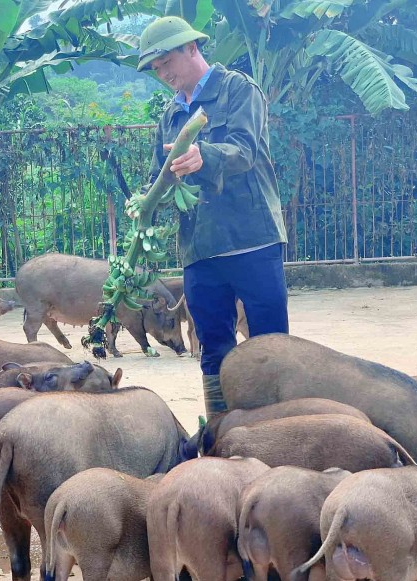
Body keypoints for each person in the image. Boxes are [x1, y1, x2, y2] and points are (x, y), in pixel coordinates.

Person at [138, 16, 289, 418]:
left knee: (271, 343)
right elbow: (160, 177)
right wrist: (146, 201)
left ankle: (279, 430)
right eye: (156, 68)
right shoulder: (170, 116)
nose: (164, 73)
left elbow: (245, 151)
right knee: (212, 346)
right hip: (199, 248)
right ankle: (222, 433)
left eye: (167, 60)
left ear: (192, 48)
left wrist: (205, 156)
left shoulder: (239, 91)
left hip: (252, 239)